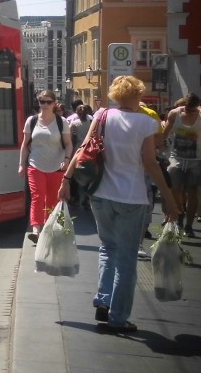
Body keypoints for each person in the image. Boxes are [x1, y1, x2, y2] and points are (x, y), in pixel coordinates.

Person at [59, 75, 180, 334]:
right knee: (126, 259)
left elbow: (82, 150)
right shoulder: (146, 123)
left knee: (108, 249)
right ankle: (118, 317)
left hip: (100, 195)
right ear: (137, 96)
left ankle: (103, 300)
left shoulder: (102, 115)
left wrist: (66, 180)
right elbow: (149, 163)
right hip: (132, 198)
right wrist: (169, 198)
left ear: (115, 95)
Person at [19, 90, 72, 244]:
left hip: (57, 166)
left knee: (52, 200)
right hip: (35, 165)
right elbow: (25, 144)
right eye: (42, 102)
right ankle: (36, 230)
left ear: (54, 103)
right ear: (39, 103)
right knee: (37, 196)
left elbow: (68, 144)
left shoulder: (62, 122)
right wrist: (21, 164)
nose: (45, 105)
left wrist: (67, 159)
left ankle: (49, 230)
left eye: (49, 102)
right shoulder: (32, 121)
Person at [164, 92, 200, 237]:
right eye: (187, 108)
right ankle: (179, 215)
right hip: (176, 158)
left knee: (193, 192)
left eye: (193, 110)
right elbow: (165, 132)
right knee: (174, 188)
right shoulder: (175, 114)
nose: (189, 112)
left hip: (196, 160)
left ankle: (189, 225)